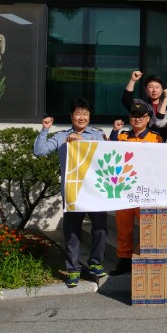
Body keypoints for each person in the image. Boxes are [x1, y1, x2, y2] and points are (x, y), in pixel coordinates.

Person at [32, 98, 108, 288]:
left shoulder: (97, 135)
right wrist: (45, 129)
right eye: (78, 113)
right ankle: (73, 268)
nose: (82, 117)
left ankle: (95, 262)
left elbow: (106, 154)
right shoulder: (60, 137)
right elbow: (39, 151)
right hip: (73, 190)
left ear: (89, 116)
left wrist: (82, 142)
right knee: (72, 231)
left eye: (85, 114)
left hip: (95, 189)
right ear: (71, 116)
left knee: (100, 228)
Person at [108, 101, 164, 276]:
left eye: (141, 116)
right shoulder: (122, 136)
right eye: (134, 116)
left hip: (146, 190)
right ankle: (124, 260)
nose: (137, 119)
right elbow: (108, 151)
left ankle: (146, 258)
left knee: (148, 226)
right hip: (124, 189)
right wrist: (114, 131)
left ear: (148, 119)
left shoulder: (156, 138)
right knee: (123, 227)